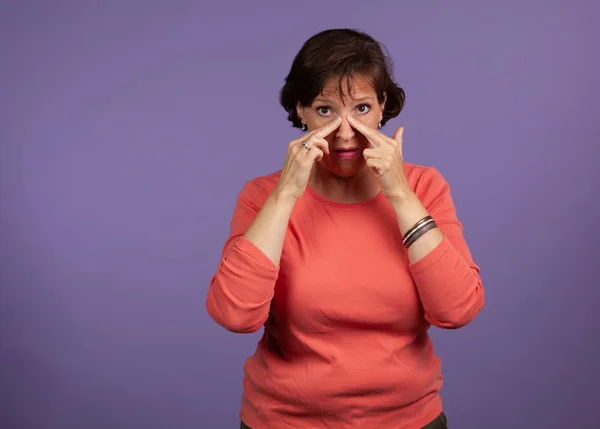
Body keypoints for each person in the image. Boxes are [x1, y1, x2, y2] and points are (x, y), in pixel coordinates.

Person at [206, 28, 484, 429]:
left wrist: (401, 195)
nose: (345, 131)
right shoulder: (262, 195)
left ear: (383, 106)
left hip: (408, 421)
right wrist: (285, 195)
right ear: (300, 110)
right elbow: (234, 314)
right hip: (284, 422)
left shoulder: (423, 187)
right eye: (325, 110)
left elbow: (457, 309)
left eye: (361, 108)